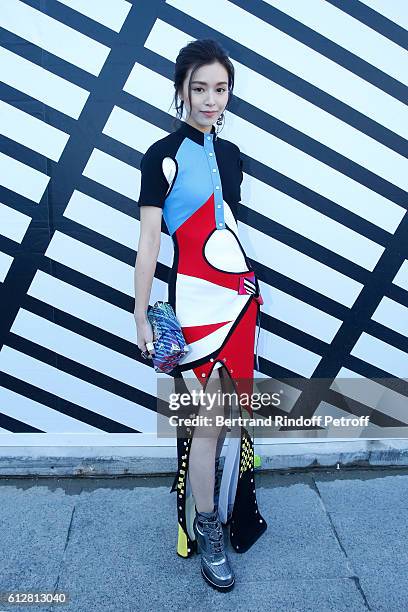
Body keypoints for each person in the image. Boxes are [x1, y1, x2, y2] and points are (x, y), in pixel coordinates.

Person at [134, 38, 267, 592]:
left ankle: (226, 511)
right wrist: (140, 315)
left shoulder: (235, 156)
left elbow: (228, 231)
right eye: (200, 89)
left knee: (230, 420)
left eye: (221, 89)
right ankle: (207, 528)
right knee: (206, 425)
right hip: (191, 309)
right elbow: (149, 245)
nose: (212, 100)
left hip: (240, 303)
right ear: (181, 91)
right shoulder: (160, 155)